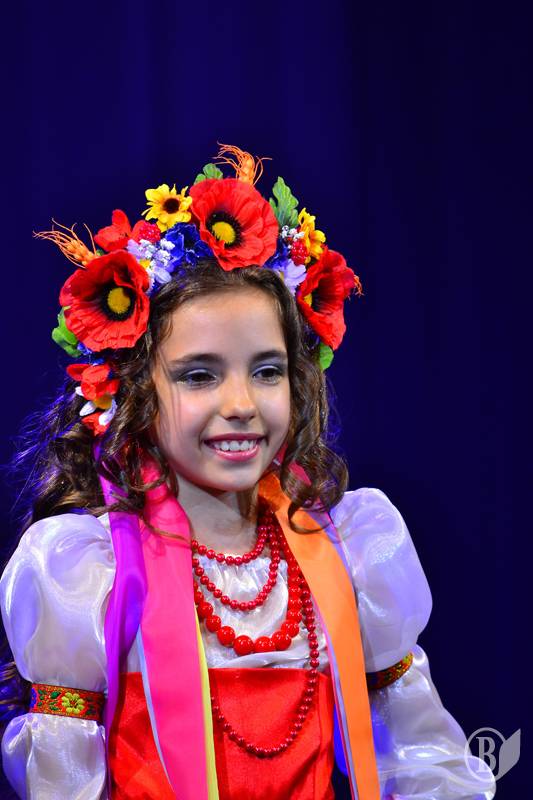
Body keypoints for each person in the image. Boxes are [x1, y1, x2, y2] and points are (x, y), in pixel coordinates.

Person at [0, 145, 496, 799]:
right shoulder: (92, 576)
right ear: (134, 391)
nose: (240, 404)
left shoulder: (352, 553)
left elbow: (422, 758)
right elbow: (62, 780)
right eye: (199, 376)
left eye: (266, 371)